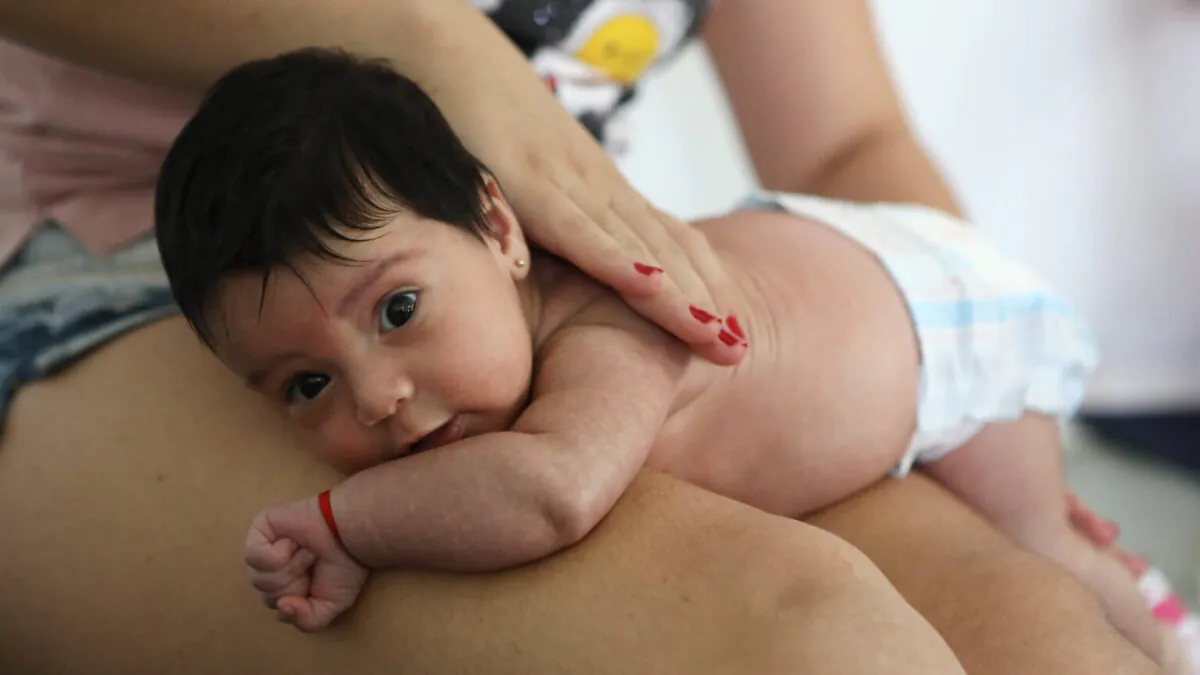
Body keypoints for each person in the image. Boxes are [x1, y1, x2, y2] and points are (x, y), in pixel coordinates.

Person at [0, 1, 1160, 674]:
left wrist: (977, 411)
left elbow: (847, 147)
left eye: (395, 327)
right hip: (138, 269)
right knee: (806, 638)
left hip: (508, 268)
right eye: (315, 389)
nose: (380, 397)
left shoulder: (592, 318)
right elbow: (549, 489)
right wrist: (436, 43)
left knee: (1038, 633)